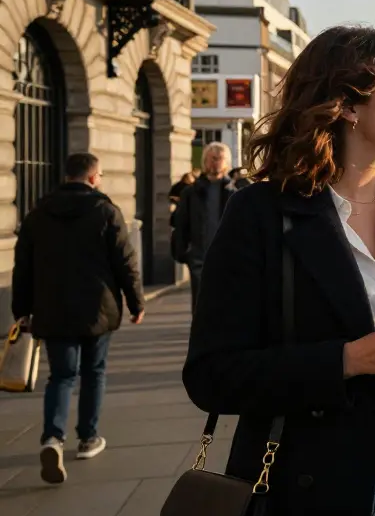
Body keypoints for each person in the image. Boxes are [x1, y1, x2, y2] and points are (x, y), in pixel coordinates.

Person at [183, 25, 375, 516]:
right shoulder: (261, 212)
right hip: (303, 482)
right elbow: (211, 375)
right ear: (347, 106)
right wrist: (350, 359)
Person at [11, 152, 145, 484]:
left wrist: (21, 311)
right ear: (93, 177)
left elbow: (23, 268)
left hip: (52, 309)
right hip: (98, 310)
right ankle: (88, 438)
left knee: (60, 376)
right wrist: (135, 302)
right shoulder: (105, 211)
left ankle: (52, 438)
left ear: (66, 175)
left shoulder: (38, 214)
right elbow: (125, 263)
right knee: (94, 372)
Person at [172, 142, 235, 311]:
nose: (215, 162)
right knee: (201, 305)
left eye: (219, 158)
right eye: (212, 158)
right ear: (204, 161)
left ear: (226, 162)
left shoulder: (234, 193)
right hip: (200, 257)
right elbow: (181, 223)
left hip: (227, 259)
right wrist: (185, 252)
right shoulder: (191, 193)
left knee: (226, 304)